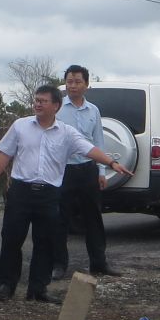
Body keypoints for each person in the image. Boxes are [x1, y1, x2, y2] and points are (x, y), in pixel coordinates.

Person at [0, 84, 134, 303]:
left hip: (49, 194)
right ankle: (7, 285)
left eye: (43, 101)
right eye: (36, 100)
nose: (37, 104)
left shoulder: (66, 132)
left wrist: (112, 163)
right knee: (11, 239)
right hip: (21, 192)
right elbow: (4, 154)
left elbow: (89, 149)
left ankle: (38, 289)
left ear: (56, 106)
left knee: (45, 242)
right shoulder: (20, 126)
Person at [52, 64, 120, 279]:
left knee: (93, 218)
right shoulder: (58, 108)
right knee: (60, 220)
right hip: (63, 170)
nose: (73, 86)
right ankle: (58, 265)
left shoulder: (93, 110)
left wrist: (101, 171)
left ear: (86, 85)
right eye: (69, 81)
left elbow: (98, 141)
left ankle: (99, 263)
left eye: (77, 81)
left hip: (88, 169)